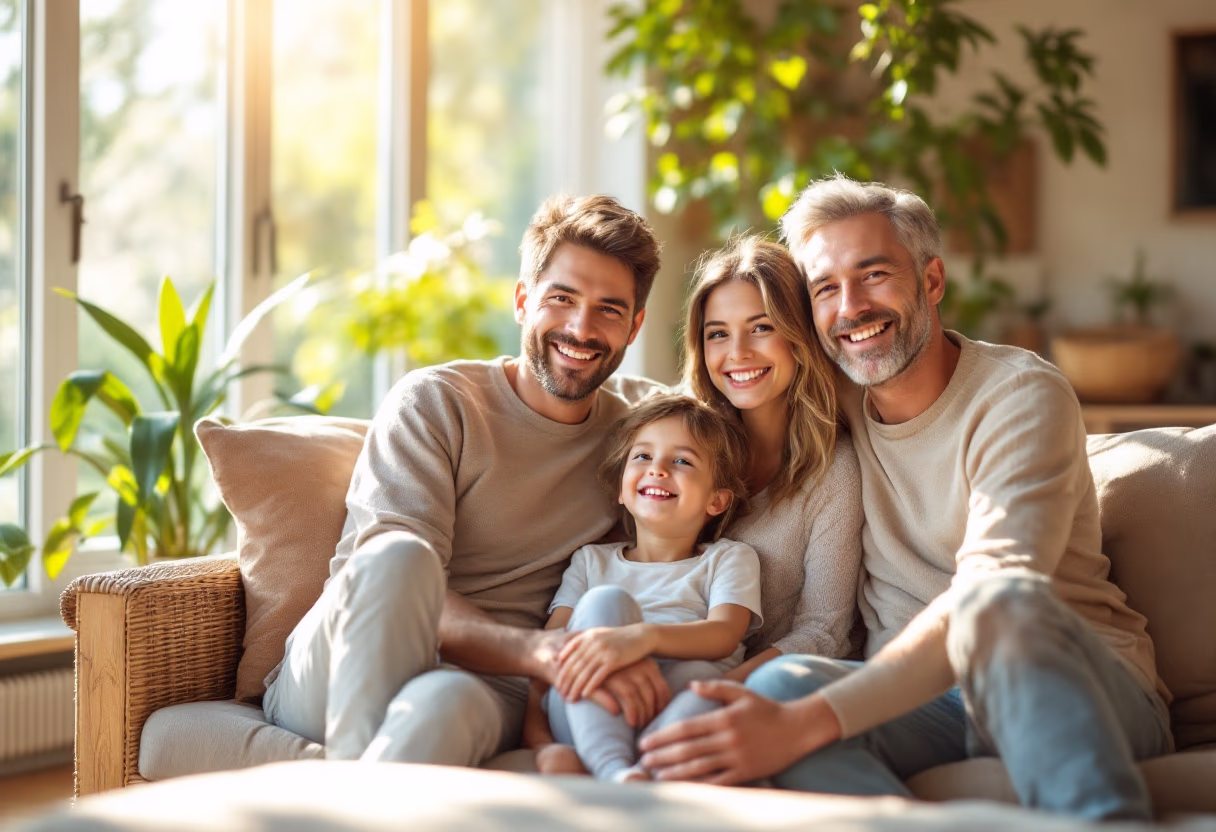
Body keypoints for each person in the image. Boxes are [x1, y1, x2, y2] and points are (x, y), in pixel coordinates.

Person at [638, 176, 1173, 821]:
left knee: (1000, 606)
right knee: (777, 690)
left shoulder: (1019, 397)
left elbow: (994, 598)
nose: (851, 308)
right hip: (923, 704)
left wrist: (812, 724)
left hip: (1068, 682)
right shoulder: (836, 393)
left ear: (932, 280)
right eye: (825, 288)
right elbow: (722, 387)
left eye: (874, 274)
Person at [261, 193, 670, 767]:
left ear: (635, 326)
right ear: (523, 300)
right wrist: (542, 651)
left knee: (444, 702)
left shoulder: (646, 429)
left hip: (492, 688)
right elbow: (385, 583)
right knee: (400, 557)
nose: (582, 328)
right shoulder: (436, 403)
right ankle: (344, 789)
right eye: (562, 298)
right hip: (344, 662)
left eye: (609, 309)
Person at [526, 394, 763, 782]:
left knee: (706, 684)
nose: (658, 470)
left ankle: (643, 771)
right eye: (642, 457)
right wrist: (540, 744)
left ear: (717, 500)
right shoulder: (590, 562)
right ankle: (614, 770)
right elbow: (549, 658)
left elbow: (724, 635)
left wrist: (641, 640)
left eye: (682, 461)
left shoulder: (729, 558)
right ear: (621, 488)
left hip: (672, 705)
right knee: (605, 602)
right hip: (590, 709)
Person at [682, 236, 863, 681]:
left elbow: (824, 631)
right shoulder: (681, 448)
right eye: (718, 334)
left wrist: (719, 689)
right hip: (668, 666)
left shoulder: (834, 471)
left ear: (798, 335)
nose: (737, 352)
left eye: (761, 327)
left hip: (768, 685)